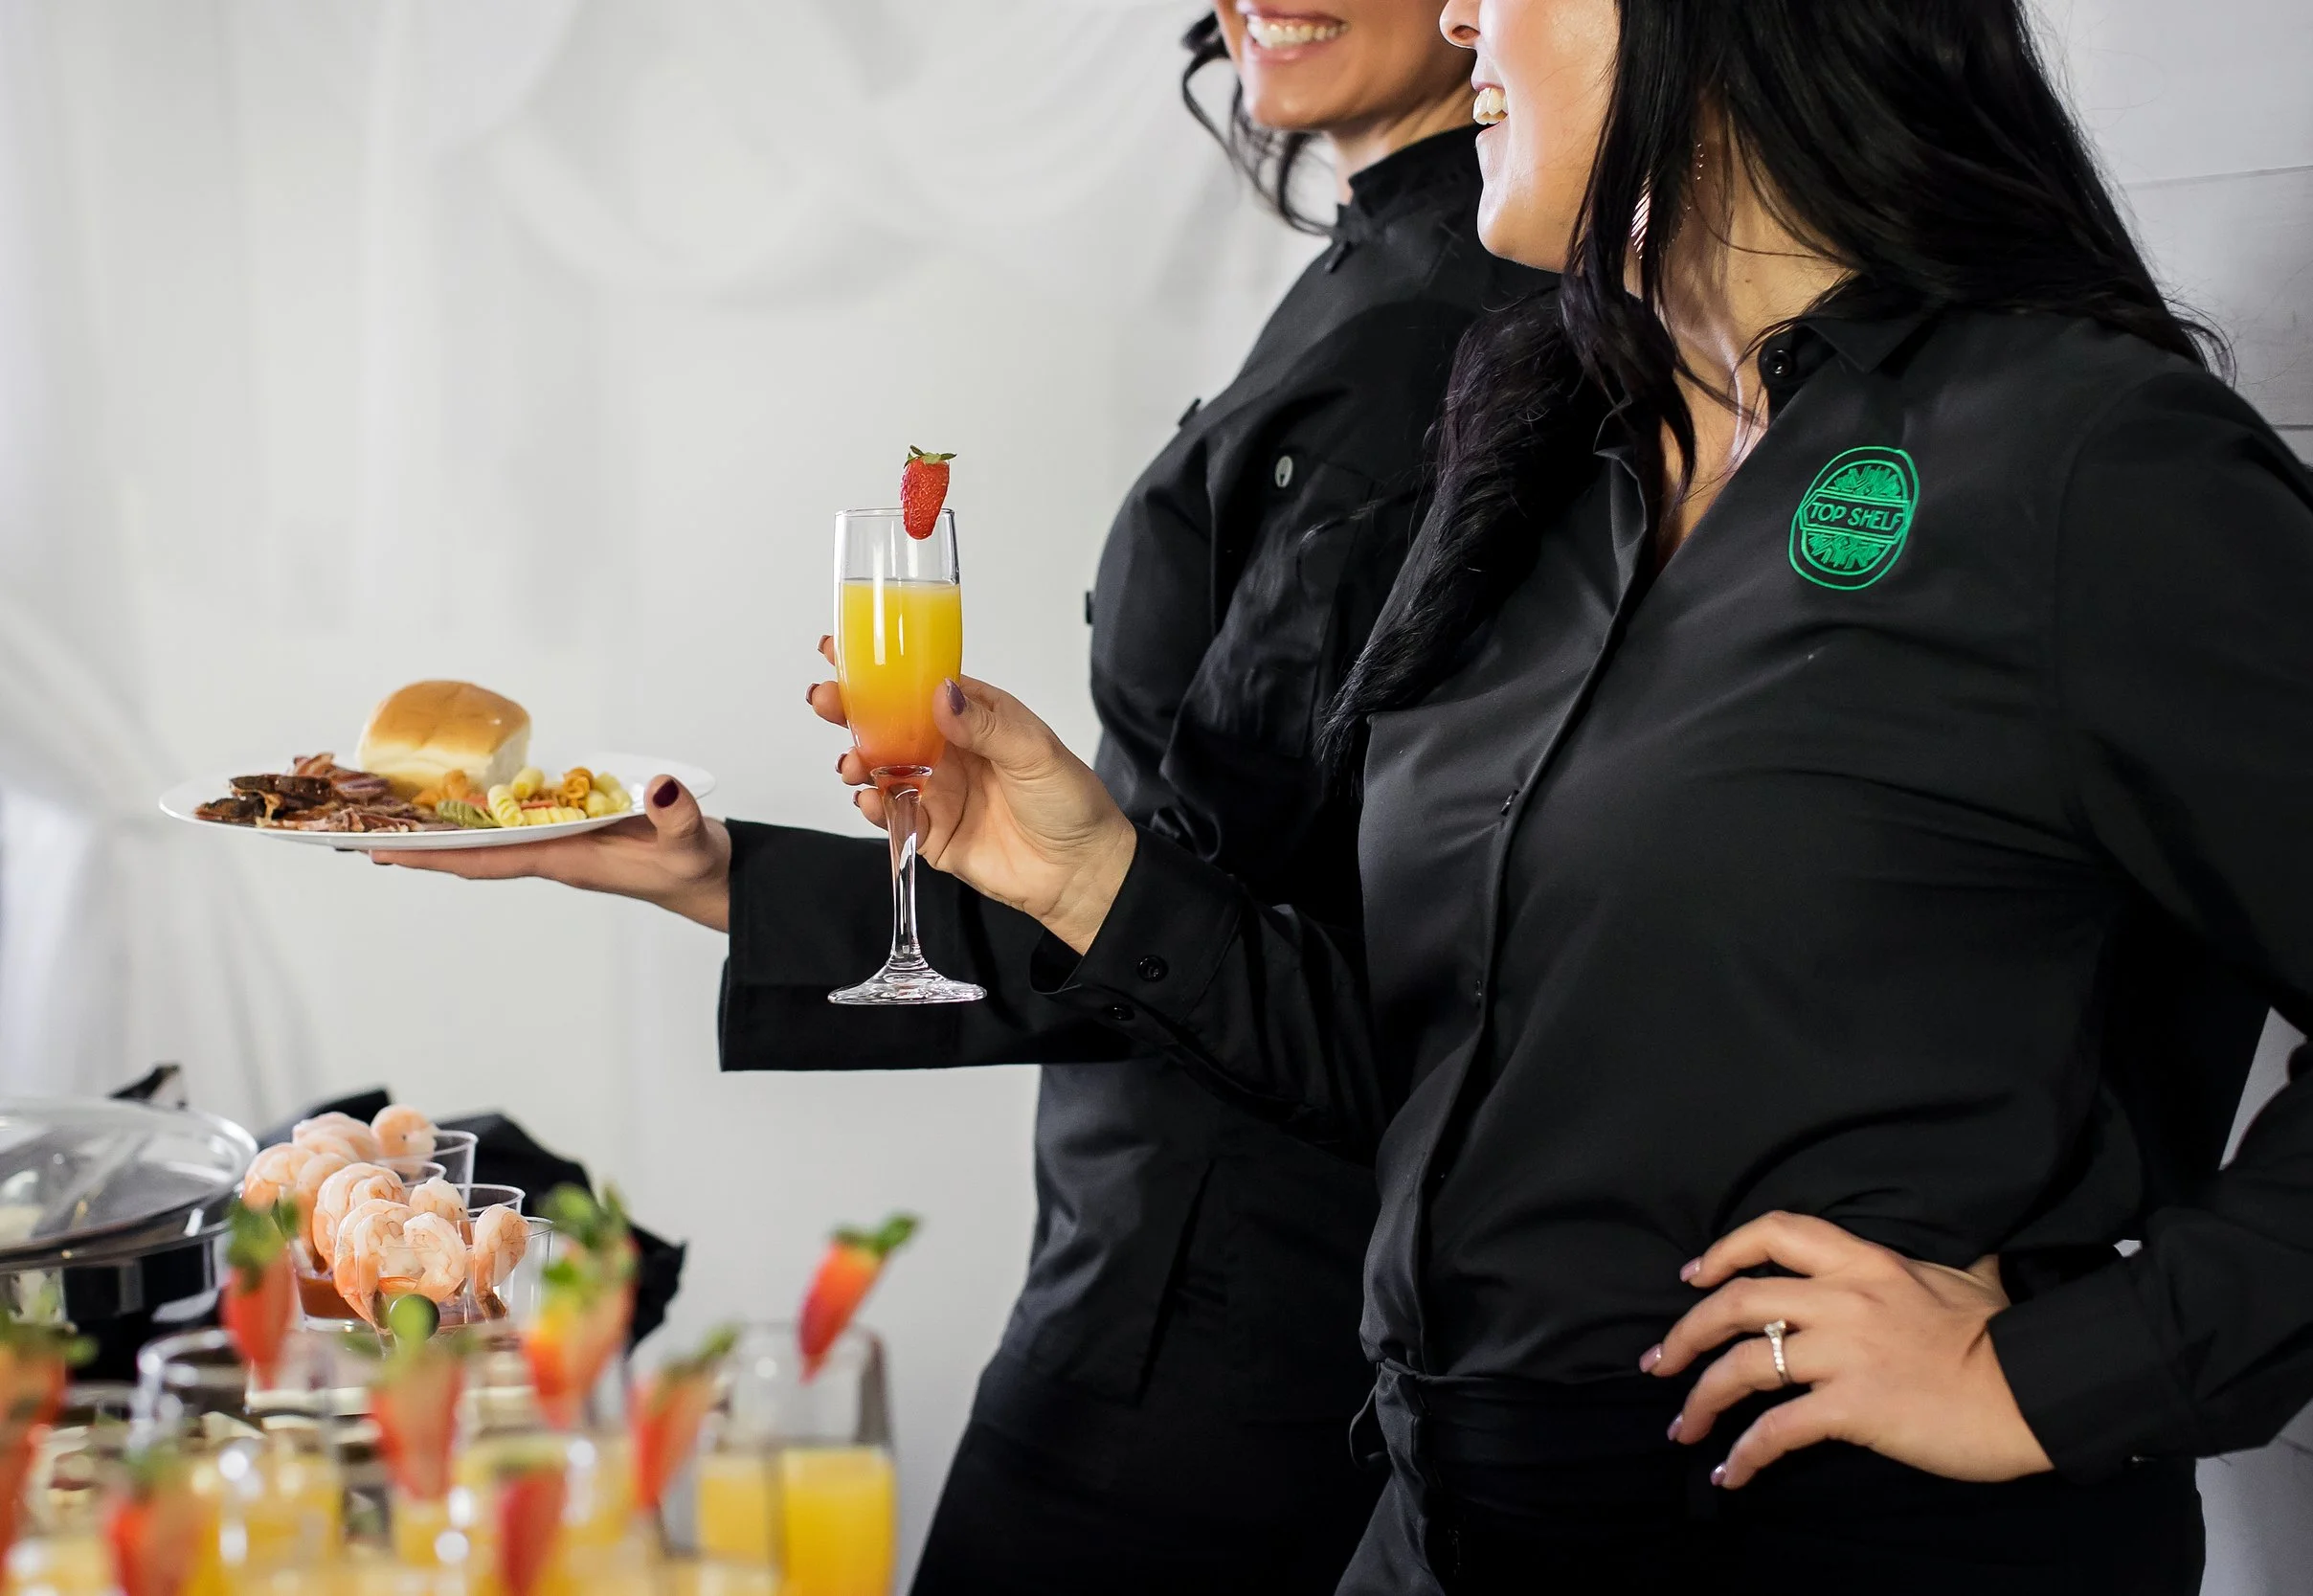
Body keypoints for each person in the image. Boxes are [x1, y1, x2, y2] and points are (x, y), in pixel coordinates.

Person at [822, 1, 2313, 1592]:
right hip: (1448, 1528)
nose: (1455, 14)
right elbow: (1452, 1077)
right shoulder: (1548, 451)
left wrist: (2060, 1369)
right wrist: (1090, 877)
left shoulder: (2078, 458)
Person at [382, 5, 1545, 1592]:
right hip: (1191, 1264)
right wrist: (705, 869)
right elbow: (1154, 908)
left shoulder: (1431, 335)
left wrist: (730, 886)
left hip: (1218, 1311)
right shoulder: (1389, 284)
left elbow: (1206, 941)